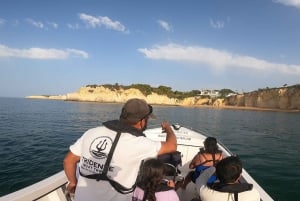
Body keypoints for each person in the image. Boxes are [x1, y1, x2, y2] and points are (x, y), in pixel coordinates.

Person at [63, 98, 177, 201]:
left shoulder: (91, 132)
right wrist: (168, 129)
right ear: (142, 121)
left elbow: (68, 161)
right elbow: (172, 146)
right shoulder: (141, 144)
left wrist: (73, 182)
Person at [195, 156, 260, 201]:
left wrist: (214, 168)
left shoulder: (205, 193)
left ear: (217, 174)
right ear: (240, 175)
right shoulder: (253, 194)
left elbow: (201, 178)